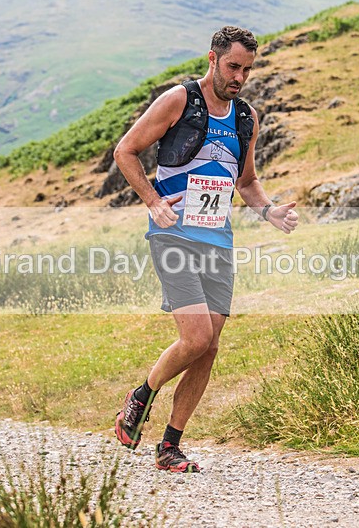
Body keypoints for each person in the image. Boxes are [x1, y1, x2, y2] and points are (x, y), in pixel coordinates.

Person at [112, 25, 299, 473]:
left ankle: (169, 446)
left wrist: (268, 210)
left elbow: (247, 181)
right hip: (174, 236)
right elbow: (126, 151)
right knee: (194, 338)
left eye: (248, 70)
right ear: (212, 59)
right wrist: (153, 202)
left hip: (218, 241)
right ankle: (141, 396)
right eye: (233, 66)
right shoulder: (179, 100)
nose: (240, 77)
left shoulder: (245, 117)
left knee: (210, 347)